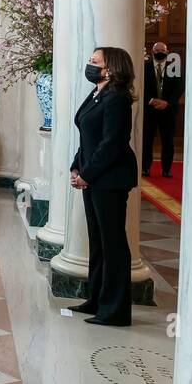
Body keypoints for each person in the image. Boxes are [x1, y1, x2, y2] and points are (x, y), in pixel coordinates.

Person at [68, 47, 140, 327]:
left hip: (109, 180)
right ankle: (96, 300)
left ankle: (116, 310)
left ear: (110, 69)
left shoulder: (117, 98)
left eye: (95, 62)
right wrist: (77, 166)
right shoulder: (98, 92)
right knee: (97, 242)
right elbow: (88, 136)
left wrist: (87, 173)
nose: (89, 65)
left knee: (113, 245)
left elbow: (112, 143)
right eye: (90, 60)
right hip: (93, 176)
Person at [141, 42, 182, 178]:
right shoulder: (144, 68)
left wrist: (167, 103)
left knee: (168, 141)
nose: (159, 52)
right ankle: (145, 168)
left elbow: (179, 88)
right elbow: (140, 87)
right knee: (146, 140)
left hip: (168, 111)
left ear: (167, 52)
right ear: (152, 52)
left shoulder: (174, 68)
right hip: (149, 110)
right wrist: (152, 100)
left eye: (162, 50)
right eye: (157, 50)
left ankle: (166, 169)